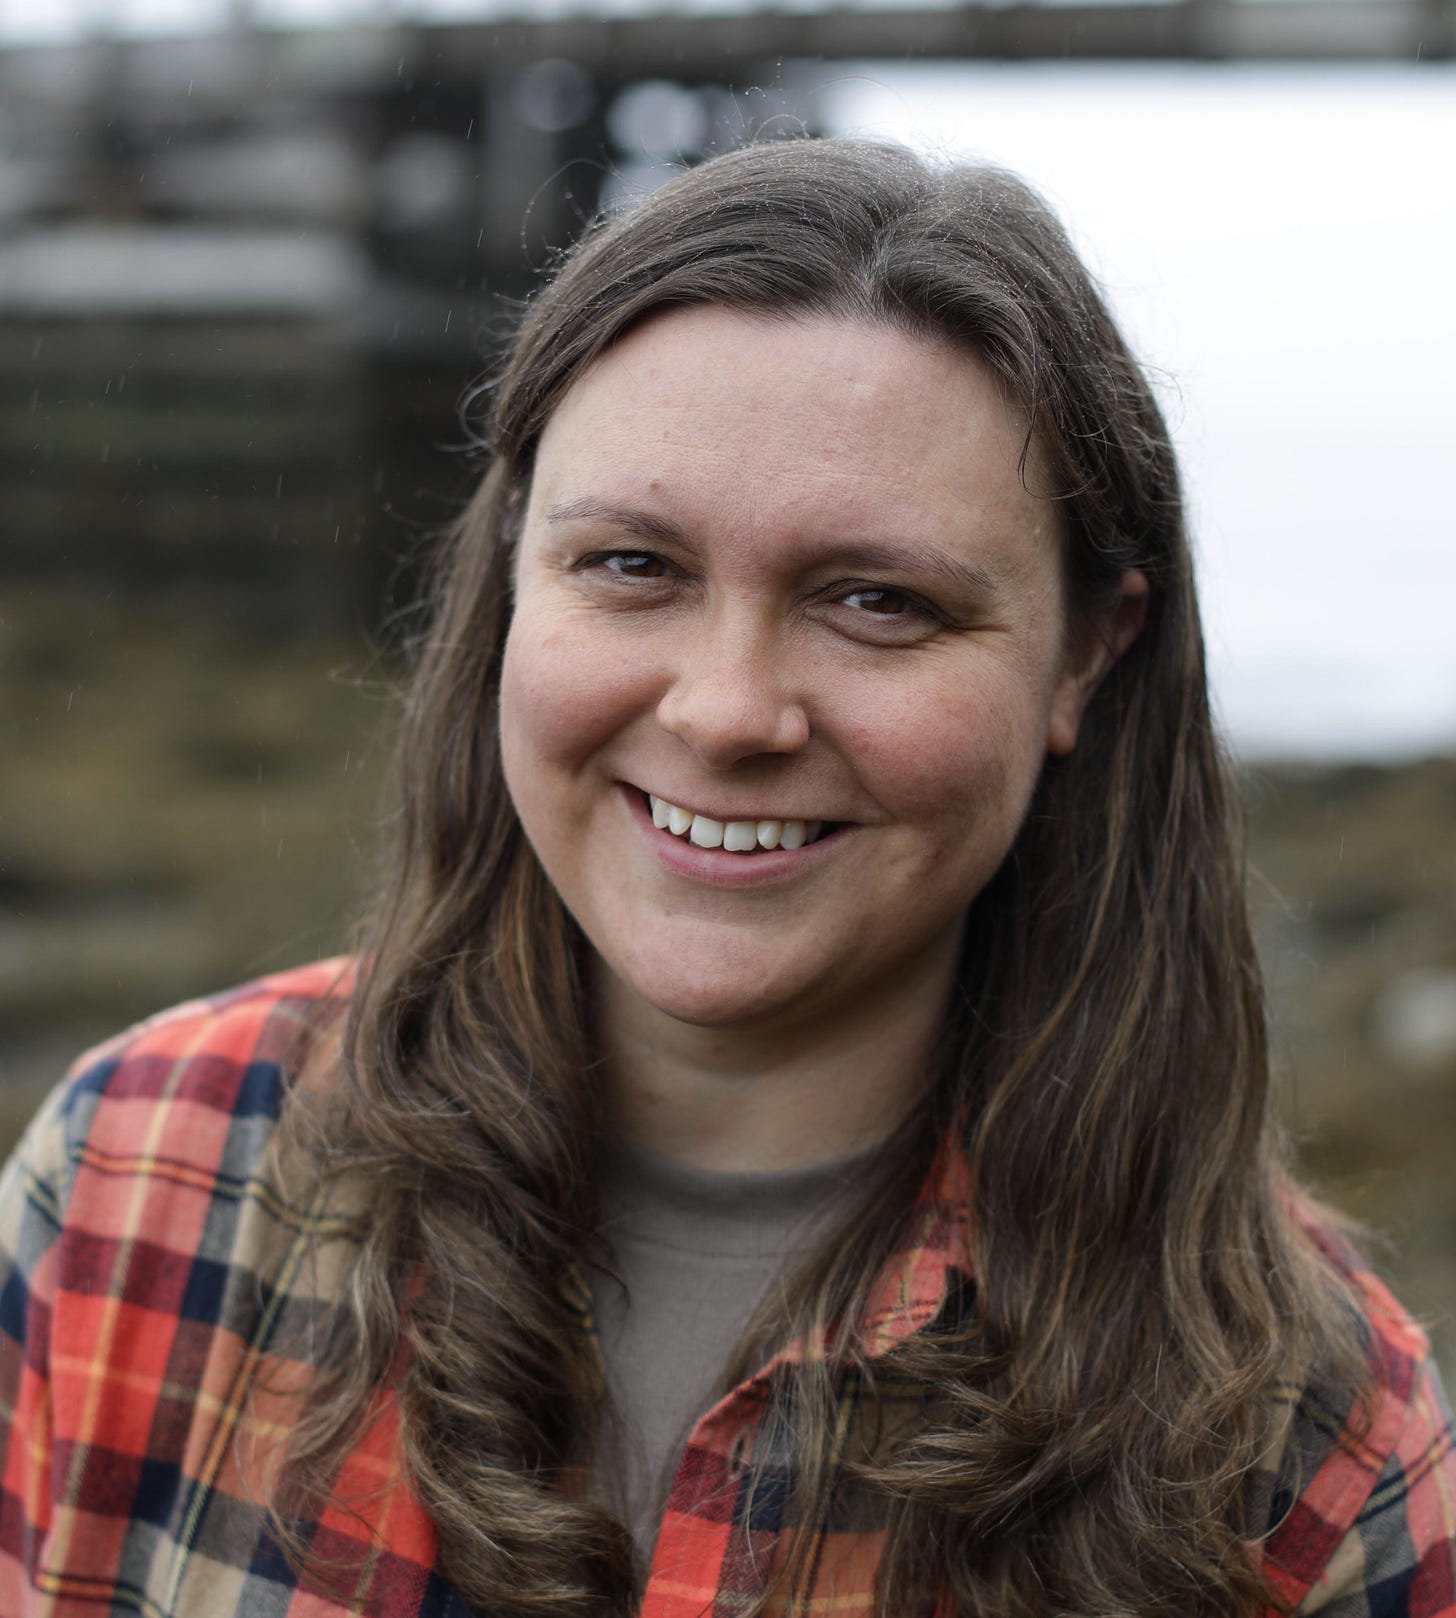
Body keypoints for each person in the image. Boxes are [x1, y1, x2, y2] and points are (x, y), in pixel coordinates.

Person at [0, 137, 1452, 1618]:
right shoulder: (136, 1180)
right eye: (633, 564)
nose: (726, 709)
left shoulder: (1307, 1445)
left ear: (1089, 650)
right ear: (513, 576)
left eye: (878, 600)